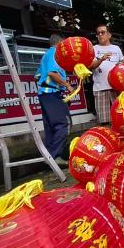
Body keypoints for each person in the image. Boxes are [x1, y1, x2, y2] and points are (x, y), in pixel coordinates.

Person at [36, 34, 76, 165]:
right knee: (63, 124)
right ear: (60, 43)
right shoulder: (54, 53)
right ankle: (54, 156)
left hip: (44, 94)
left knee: (51, 127)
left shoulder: (46, 55)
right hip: (52, 93)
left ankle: (49, 157)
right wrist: (67, 85)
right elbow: (52, 73)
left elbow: (36, 76)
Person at [89, 24, 124, 125]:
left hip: (116, 88)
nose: (100, 35)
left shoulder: (116, 48)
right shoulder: (93, 49)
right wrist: (101, 59)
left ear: (109, 35)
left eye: (102, 32)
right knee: (105, 122)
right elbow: (90, 66)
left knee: (121, 118)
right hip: (100, 88)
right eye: (98, 33)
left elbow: (121, 67)